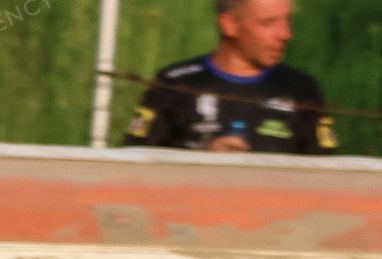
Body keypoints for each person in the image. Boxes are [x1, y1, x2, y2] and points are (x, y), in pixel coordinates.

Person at [123, 0, 337, 154]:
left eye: (287, 20)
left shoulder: (301, 89)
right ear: (230, 25)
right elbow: (136, 165)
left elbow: (326, 176)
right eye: (268, 23)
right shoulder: (176, 84)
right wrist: (203, 160)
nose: (285, 34)